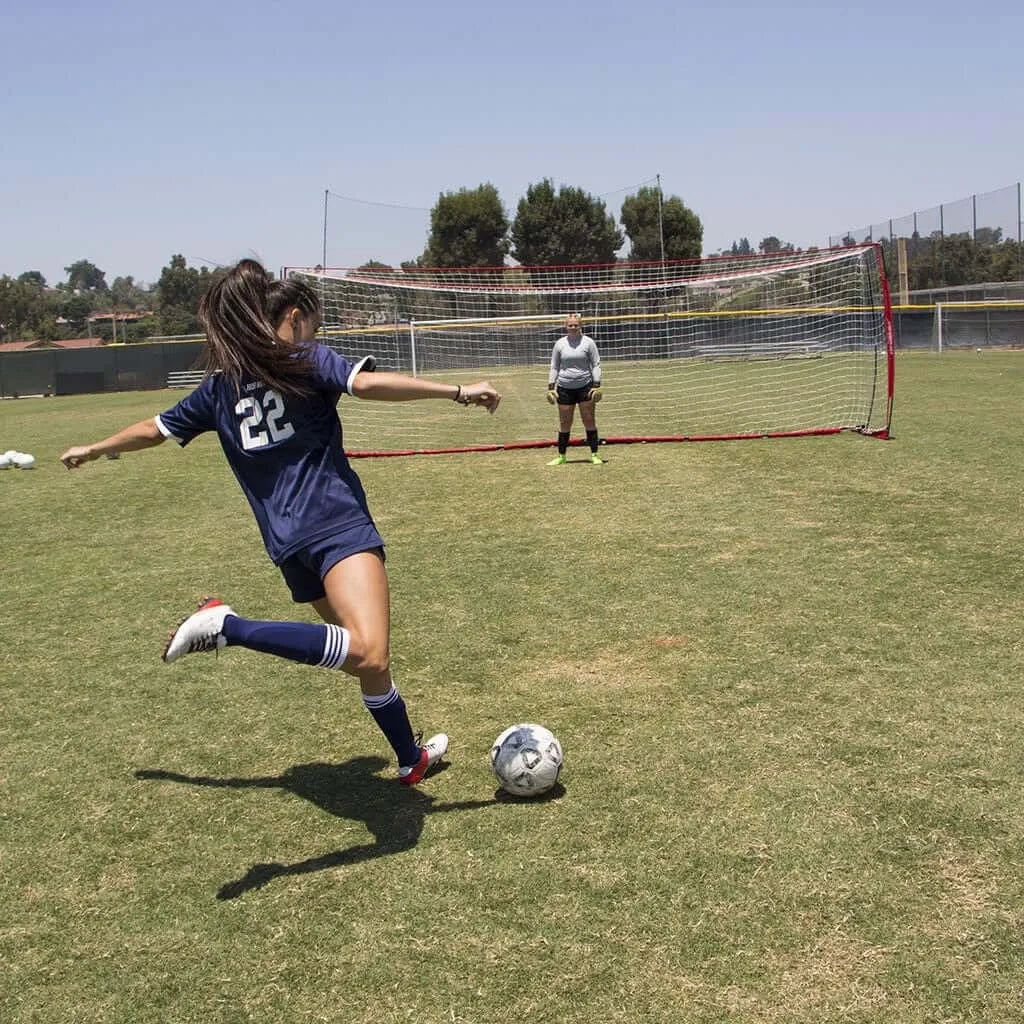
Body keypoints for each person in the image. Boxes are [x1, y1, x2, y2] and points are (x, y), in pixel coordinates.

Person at [60, 259, 501, 786]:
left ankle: (410, 758)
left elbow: (154, 429)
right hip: (336, 525)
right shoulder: (302, 358)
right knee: (368, 648)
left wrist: (94, 447)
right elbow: (368, 385)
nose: (314, 333)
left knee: (367, 661)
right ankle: (229, 626)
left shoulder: (220, 387)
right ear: (294, 317)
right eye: (312, 324)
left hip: (288, 544)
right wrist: (457, 391)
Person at [546, 312, 603, 466]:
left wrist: (597, 384)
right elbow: (554, 366)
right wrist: (551, 386)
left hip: (585, 387)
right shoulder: (560, 344)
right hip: (564, 388)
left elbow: (596, 364)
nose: (573, 327)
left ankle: (595, 454)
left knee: (589, 420)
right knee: (565, 422)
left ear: (580, 326)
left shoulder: (589, 343)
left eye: (575, 325)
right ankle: (561, 456)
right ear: (565, 326)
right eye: (570, 325)